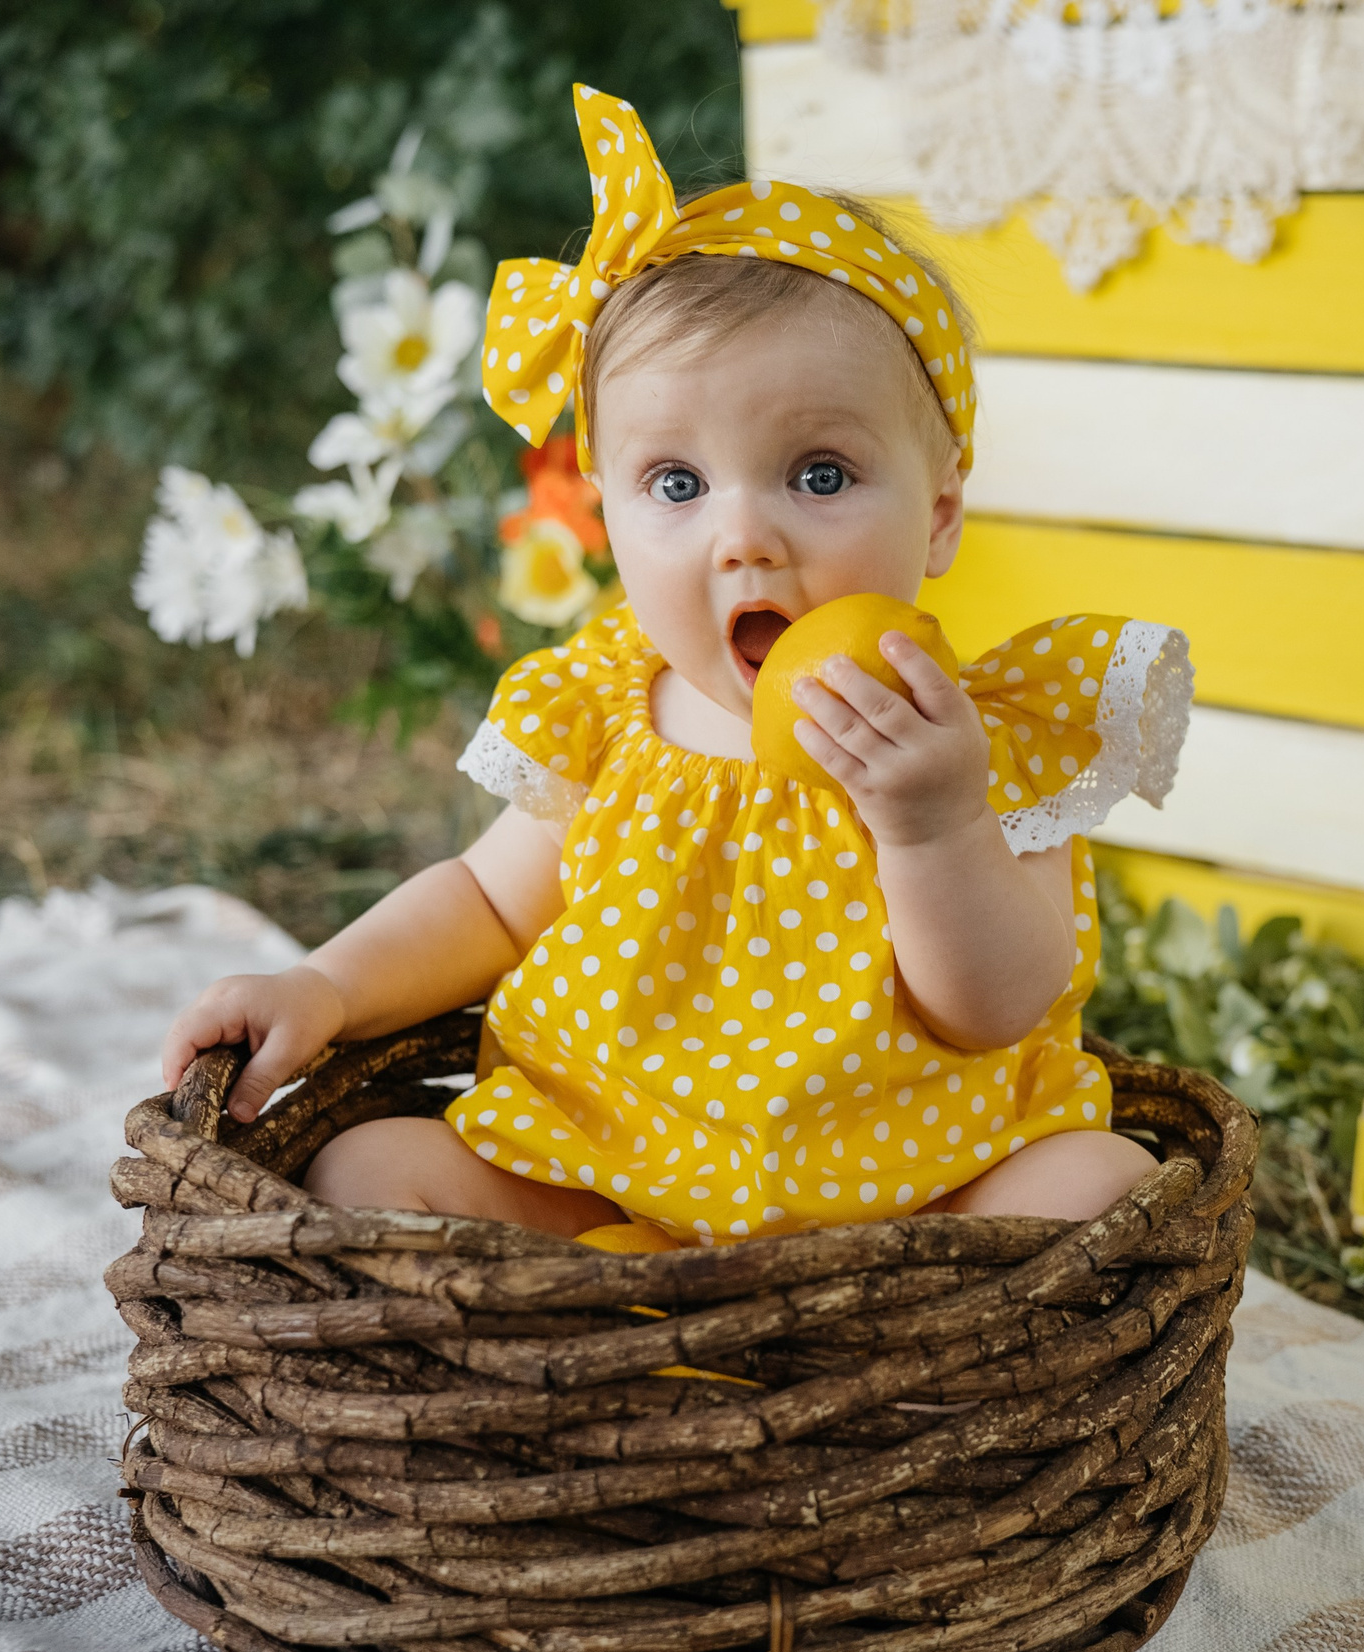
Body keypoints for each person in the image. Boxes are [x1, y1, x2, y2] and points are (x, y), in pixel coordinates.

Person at [160, 86, 1192, 1248]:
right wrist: (330, 988)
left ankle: (817, 1354)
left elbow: (997, 1009)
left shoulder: (979, 740)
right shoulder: (608, 711)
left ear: (940, 517)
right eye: (677, 485)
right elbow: (487, 902)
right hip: (605, 1178)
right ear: (607, 519)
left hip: (908, 1213)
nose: (742, 537)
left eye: (817, 475)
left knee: (1096, 1182)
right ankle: (621, 1324)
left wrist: (931, 825)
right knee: (369, 1164)